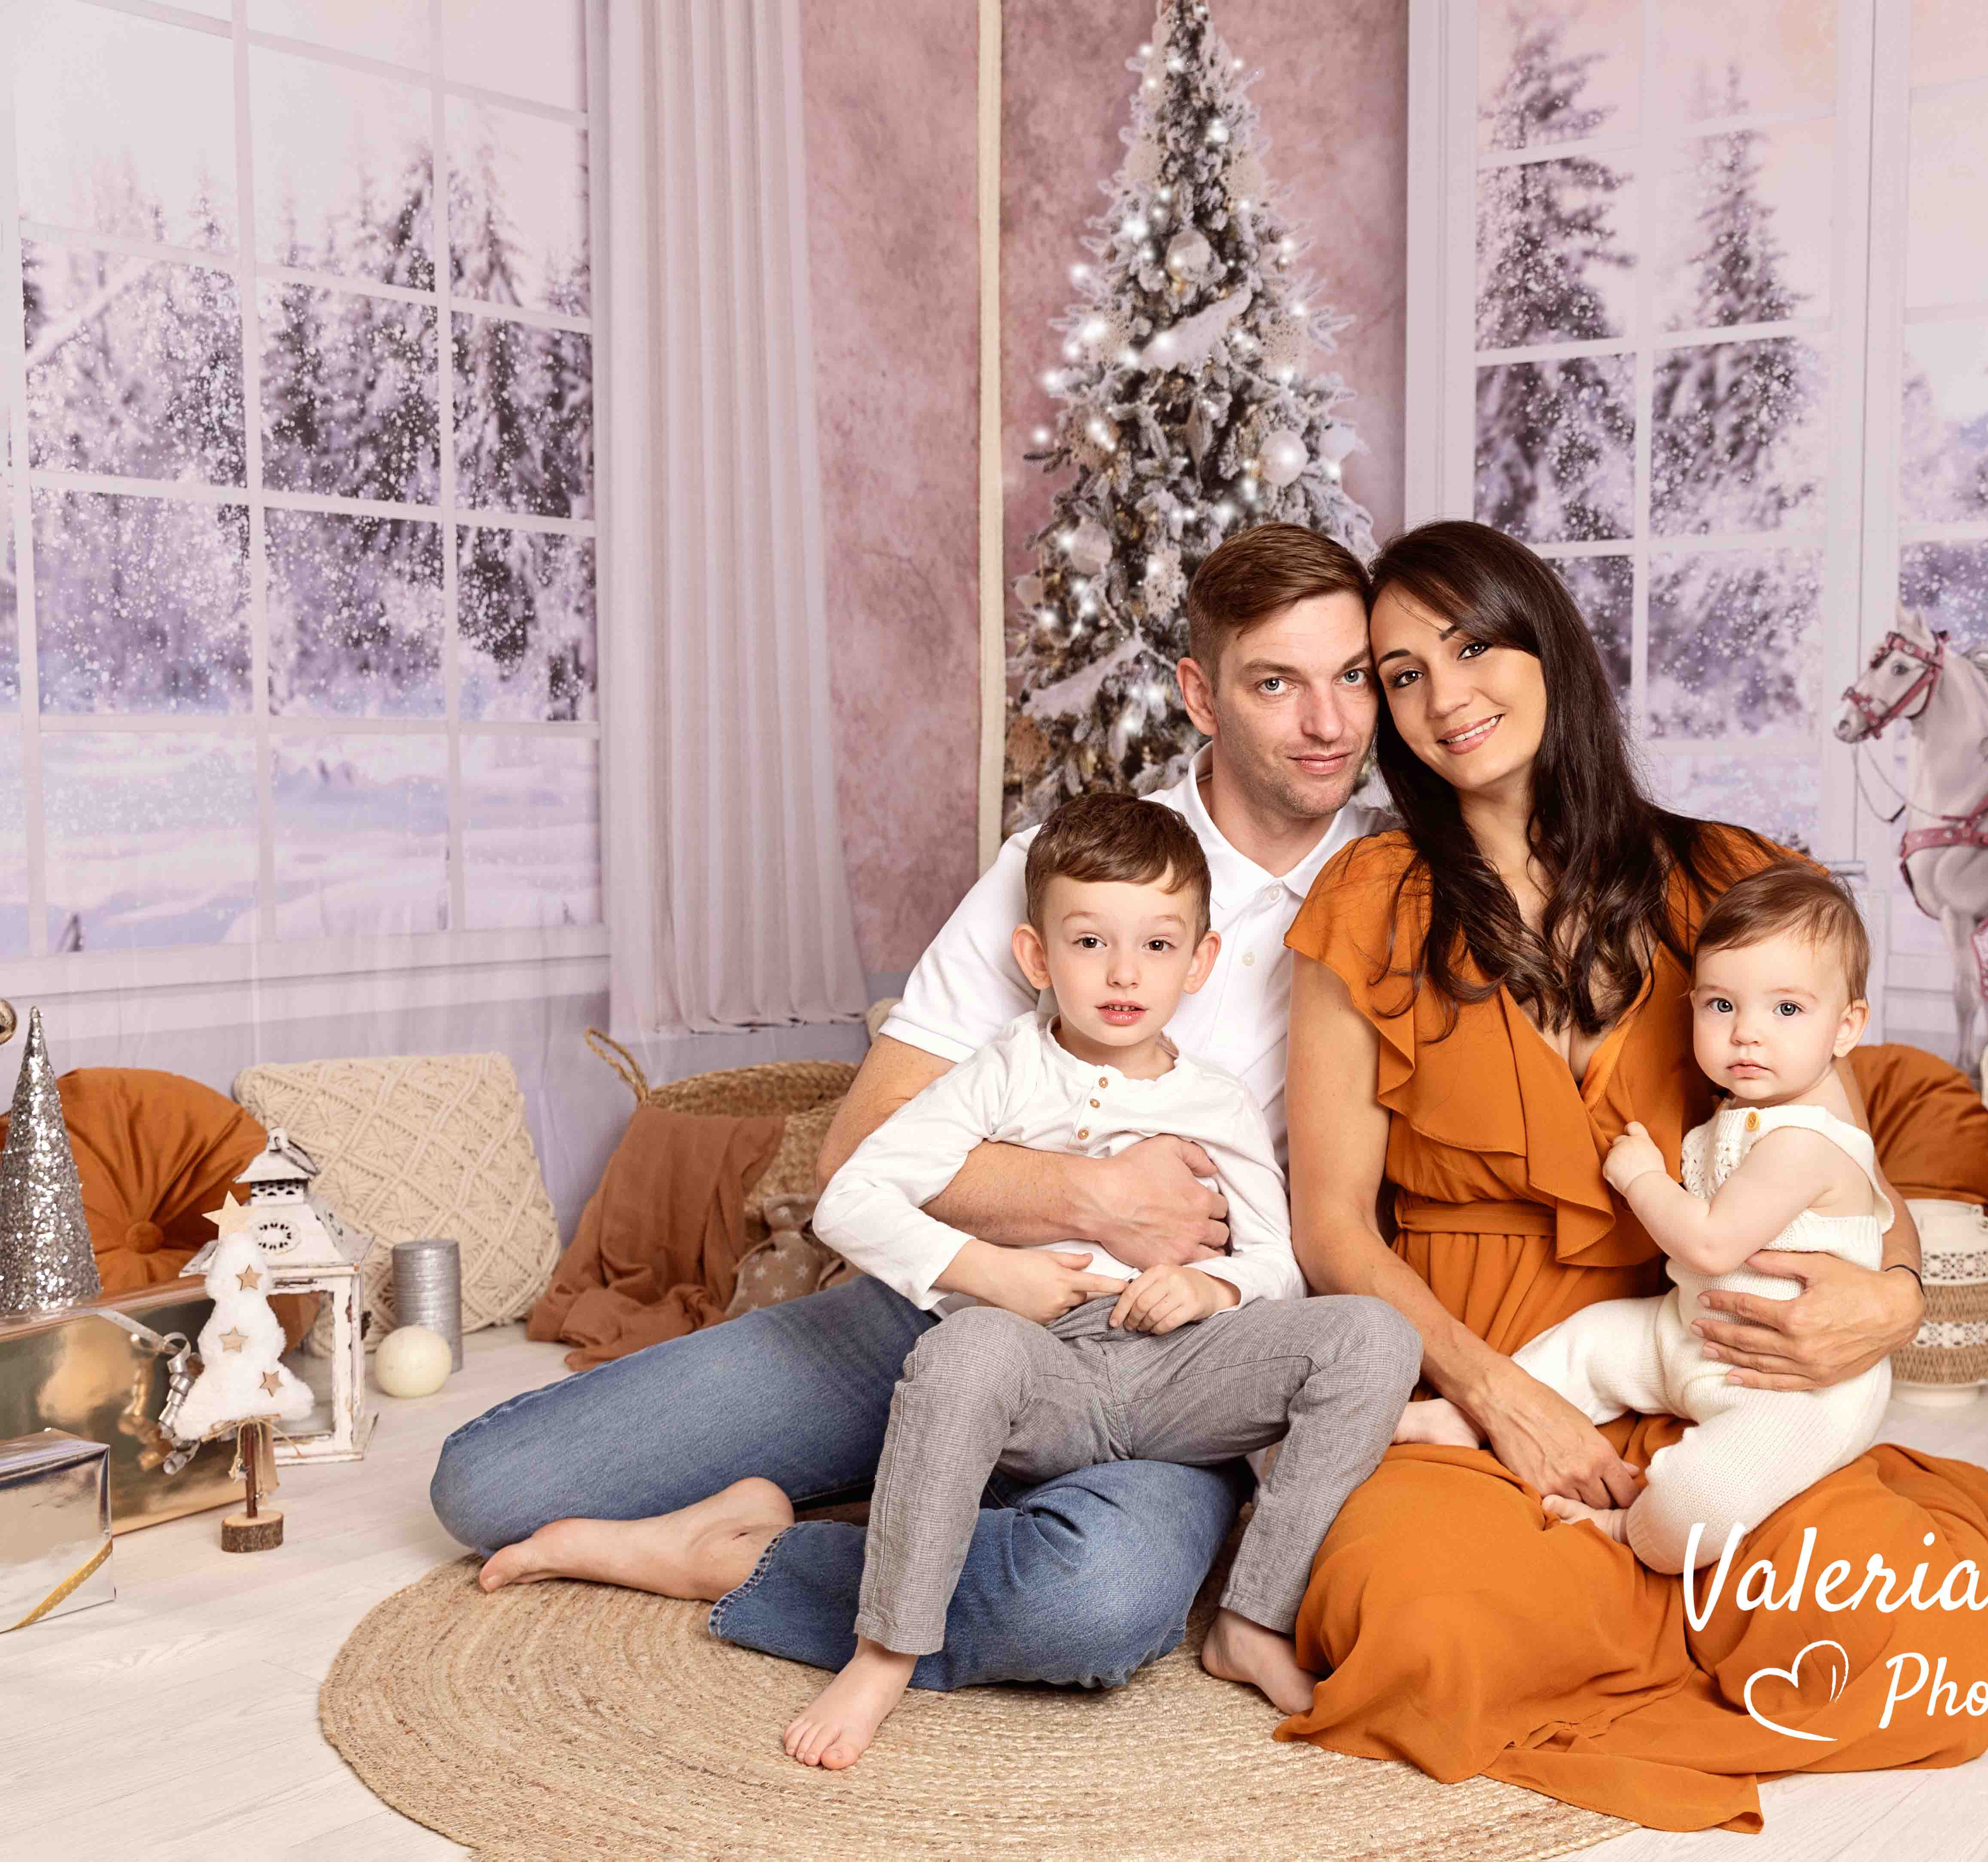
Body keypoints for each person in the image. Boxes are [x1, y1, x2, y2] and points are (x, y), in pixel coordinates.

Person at [432, 523, 1385, 1695]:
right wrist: (1095, 1198)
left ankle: (750, 1554)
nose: (1328, 722)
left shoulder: (1394, 889)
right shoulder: (1068, 865)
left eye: (1354, 677)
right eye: (1277, 683)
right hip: (944, 1309)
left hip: (1168, 1362)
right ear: (1200, 694)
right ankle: (906, 1490)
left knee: (1089, 1601)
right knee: (488, 1486)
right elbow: (857, 1150)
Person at [1277, 519, 1988, 1832]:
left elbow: (1872, 1146)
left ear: (1550, 645)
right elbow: (1330, 1232)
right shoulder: (1375, 898)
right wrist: (1504, 1401)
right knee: (1422, 1633)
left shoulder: (1732, 880)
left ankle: (1686, 1625)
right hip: (1481, 1384)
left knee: (1930, 1639)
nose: (1443, 696)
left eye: (1471, 647)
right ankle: (1605, 1617)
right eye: (1403, 674)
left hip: (1722, 1374)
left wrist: (1892, 1298)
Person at [783, 794, 1417, 1767]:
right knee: (966, 1350)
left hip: (1180, 1375)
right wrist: (994, 1273)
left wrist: (1215, 1291)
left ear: (1199, 962)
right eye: (1090, 943)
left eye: (1158, 946)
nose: (1125, 974)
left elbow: (1276, 1262)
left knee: (1373, 1335)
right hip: (1044, 1365)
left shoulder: (1217, 1103)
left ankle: (1254, 1617)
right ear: (1037, 957)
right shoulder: (1003, 1073)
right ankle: (885, 1651)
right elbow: (850, 1194)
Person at [1393, 862, 1908, 1577]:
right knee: (1589, 1341)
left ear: (1847, 1027)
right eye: (1721, 1005)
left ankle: (1631, 1528)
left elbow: (1710, 1242)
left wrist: (1640, 1179)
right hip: (1691, 1333)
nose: (1747, 1034)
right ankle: (1461, 1418)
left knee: (1703, 1499)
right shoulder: (1754, 1107)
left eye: (1787, 1011)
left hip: (1793, 1386)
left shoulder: (1808, 1141)